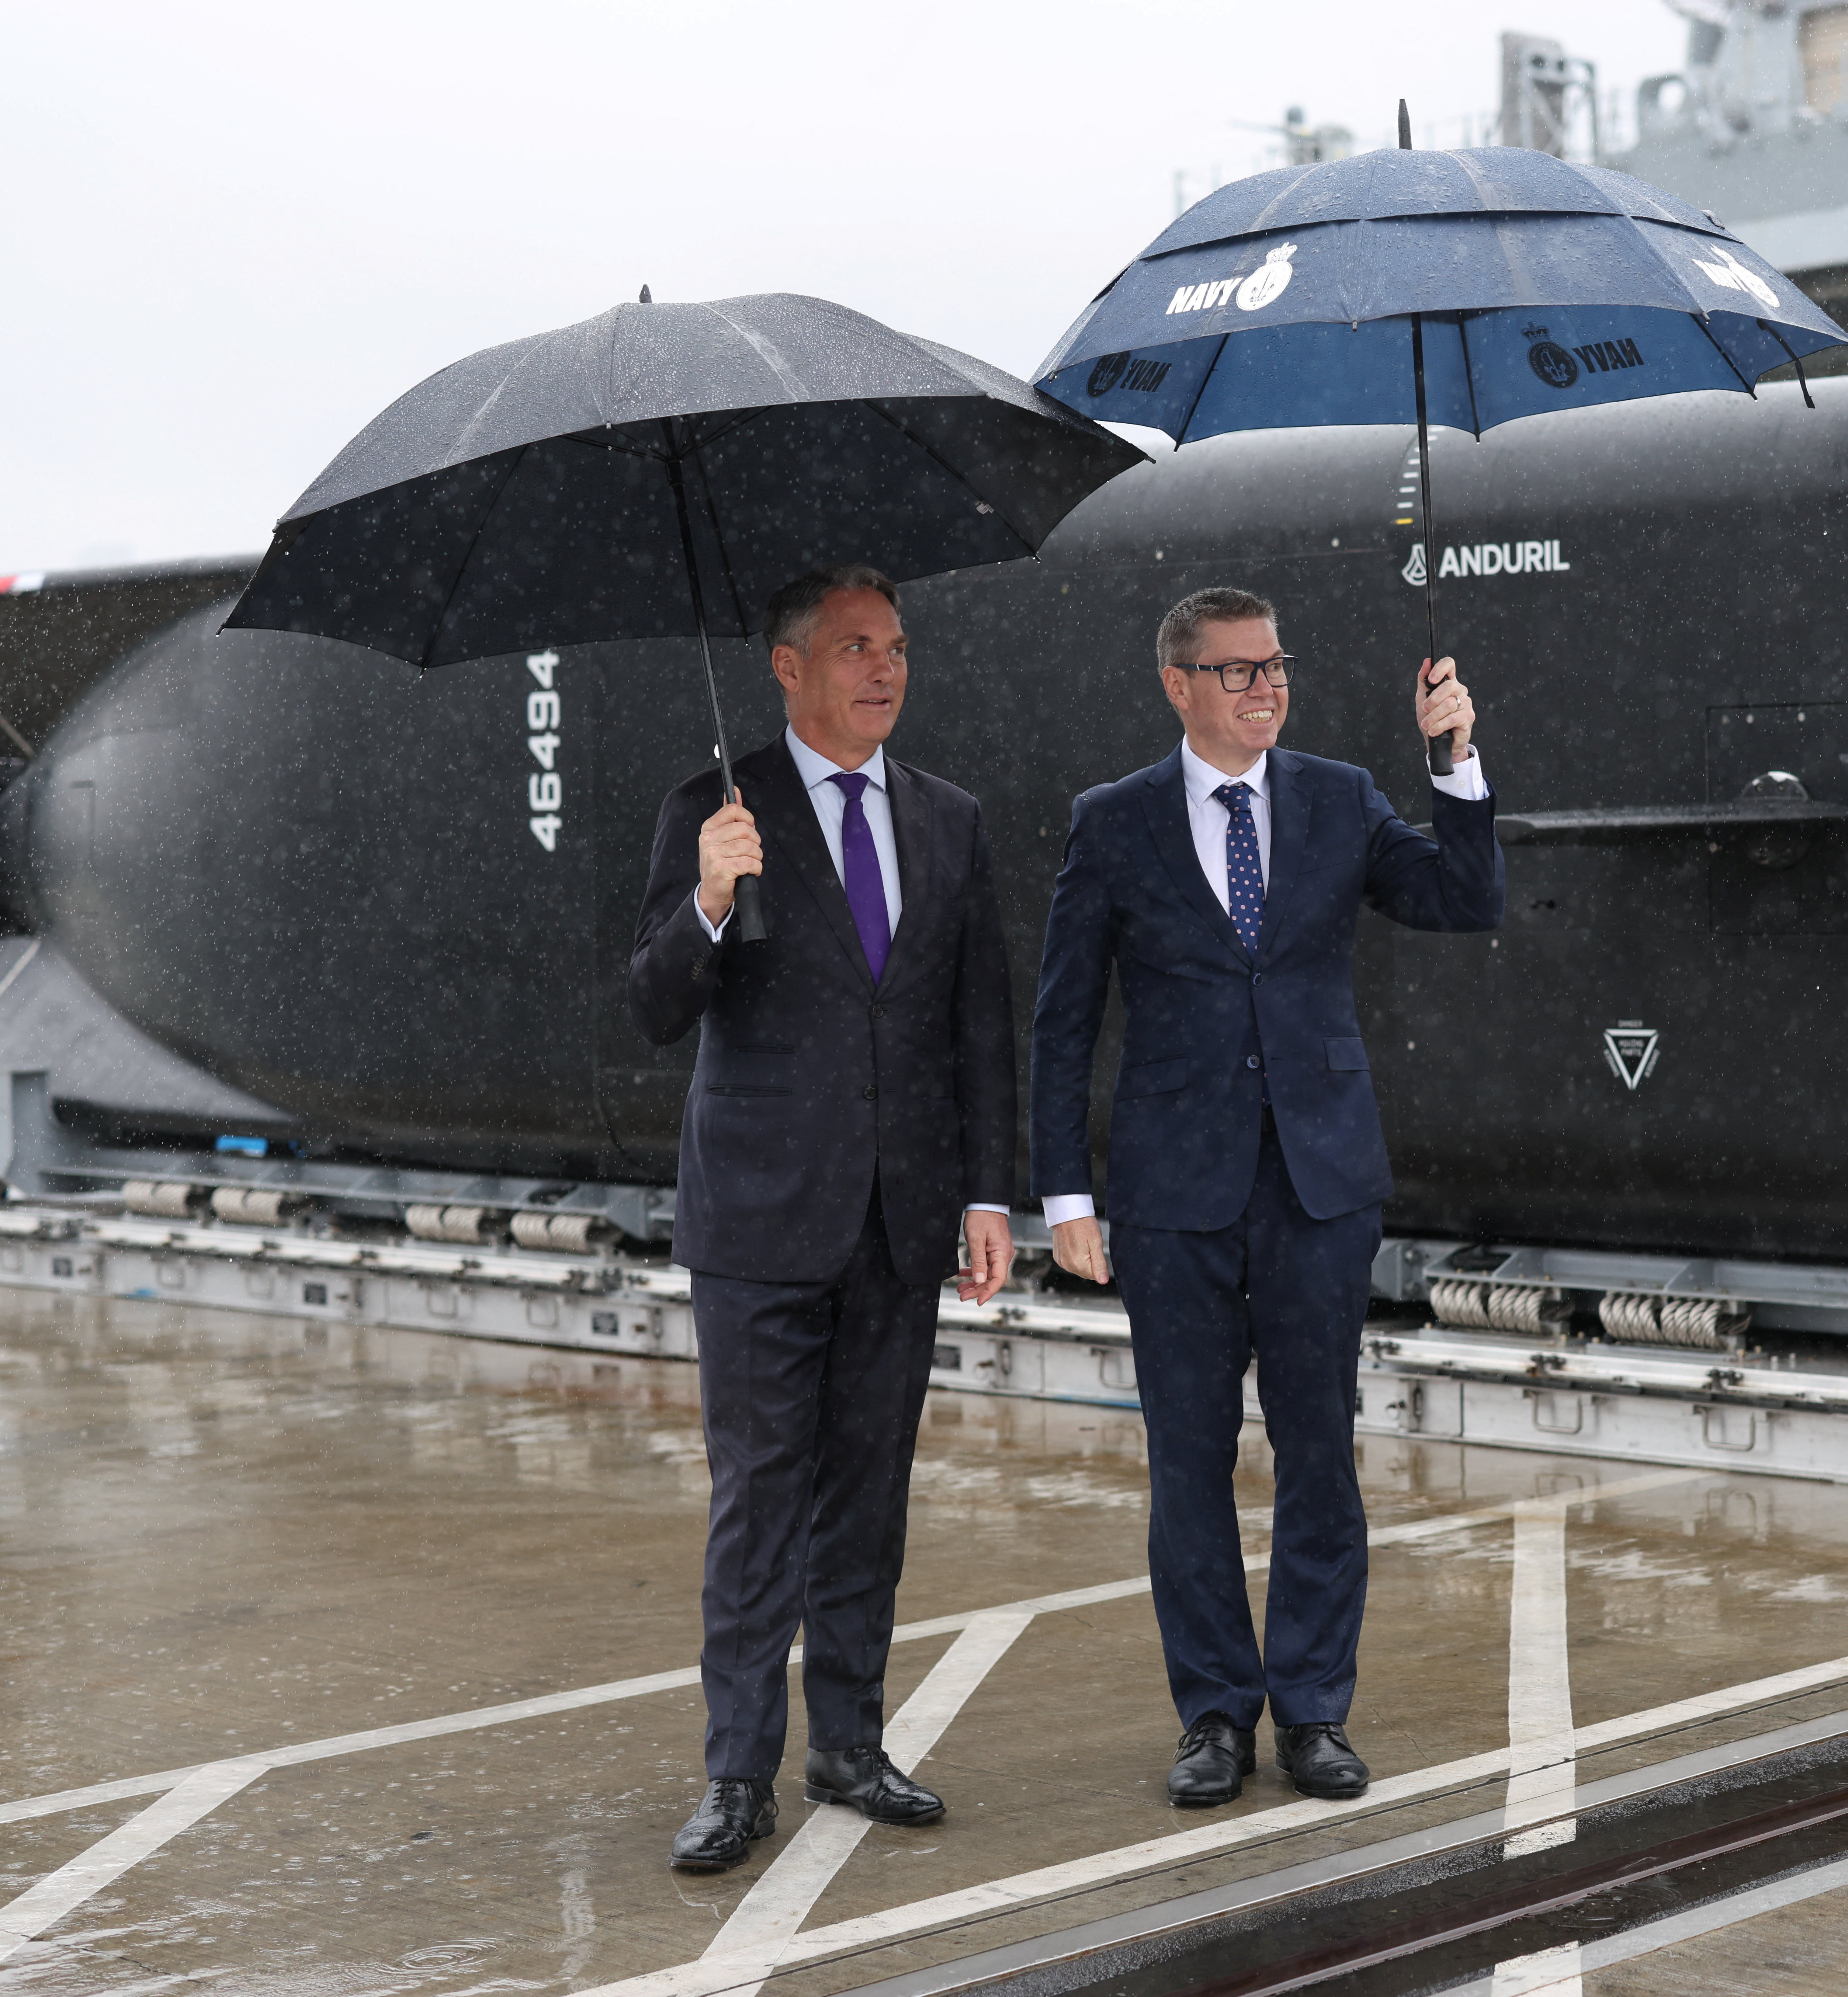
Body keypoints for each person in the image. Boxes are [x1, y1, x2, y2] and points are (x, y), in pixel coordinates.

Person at [1029, 586, 1502, 1808]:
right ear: (1178, 685)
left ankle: (1313, 1711)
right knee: (1187, 1465)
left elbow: (1465, 900)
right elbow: (1064, 1021)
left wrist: (1454, 760)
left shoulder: (1340, 796)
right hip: (1172, 1194)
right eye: (1236, 672)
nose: (1265, 688)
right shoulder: (1115, 821)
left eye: (1276, 666)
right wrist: (1065, 1195)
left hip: (1318, 1183)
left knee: (1318, 1456)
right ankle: (1212, 1717)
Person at [627, 565, 1017, 1873]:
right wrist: (710, 903)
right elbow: (652, 1005)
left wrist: (985, 1188)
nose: (884, 670)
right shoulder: (713, 808)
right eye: (854, 649)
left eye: (896, 647)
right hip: (757, 1222)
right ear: (789, 667)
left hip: (899, 1217)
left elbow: (975, 1022)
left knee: (868, 1494)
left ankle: (848, 1742)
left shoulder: (949, 819)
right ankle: (738, 1774)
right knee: (759, 1498)